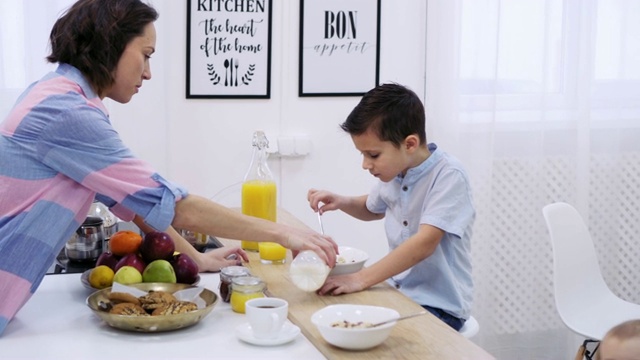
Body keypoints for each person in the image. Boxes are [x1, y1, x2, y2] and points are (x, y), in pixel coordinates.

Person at [0, 0, 337, 336]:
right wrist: (284, 232)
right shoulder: (66, 110)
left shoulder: (60, 95)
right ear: (111, 43)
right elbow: (174, 205)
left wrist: (196, 257)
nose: (148, 72)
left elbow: (134, 201)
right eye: (146, 54)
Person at [307, 83, 475, 331]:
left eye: (373, 155)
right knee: (336, 316)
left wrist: (360, 278)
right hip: (400, 293)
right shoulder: (396, 173)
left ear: (409, 144)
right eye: (362, 155)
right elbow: (372, 208)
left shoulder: (449, 176)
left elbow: (425, 243)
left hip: (438, 306)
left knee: (373, 338)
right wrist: (342, 201)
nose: (366, 164)